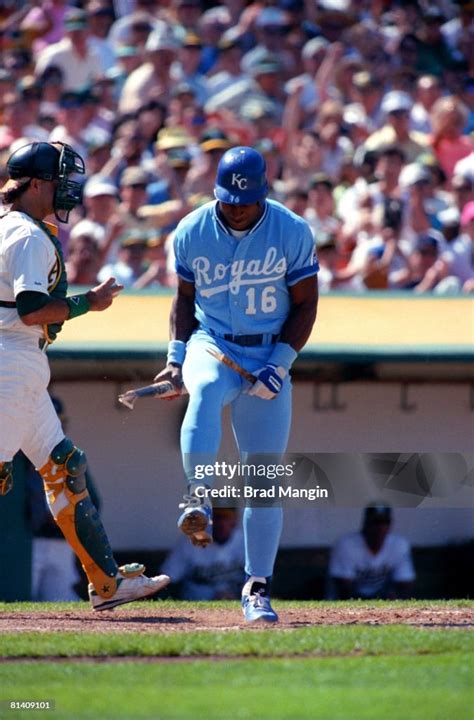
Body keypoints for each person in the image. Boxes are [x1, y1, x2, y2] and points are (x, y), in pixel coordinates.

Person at [0, 141, 170, 610]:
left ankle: (106, 582)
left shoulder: (12, 227)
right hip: (10, 359)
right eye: (57, 182)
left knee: (63, 467)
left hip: (18, 359)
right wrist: (88, 303)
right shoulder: (28, 235)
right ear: (35, 185)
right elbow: (34, 310)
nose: (65, 191)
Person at [154, 146, 318, 622]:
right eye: (228, 199)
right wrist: (175, 356)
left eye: (245, 199)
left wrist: (281, 362)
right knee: (202, 393)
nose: (236, 207)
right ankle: (197, 495)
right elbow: (184, 300)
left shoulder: (291, 229)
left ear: (263, 191)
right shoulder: (192, 229)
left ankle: (257, 588)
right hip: (215, 342)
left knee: (264, 481)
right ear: (217, 192)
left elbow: (306, 305)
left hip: (270, 349)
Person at [328, 504, 416, 600]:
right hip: (351, 601)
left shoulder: (399, 544)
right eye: (375, 522)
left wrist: (394, 597)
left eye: (384, 523)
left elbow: (405, 583)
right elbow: (343, 587)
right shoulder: (347, 544)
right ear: (365, 523)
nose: (380, 528)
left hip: (384, 600)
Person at [161, 508, 244, 600]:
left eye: (226, 518)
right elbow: (168, 578)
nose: (221, 523)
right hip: (195, 606)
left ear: (235, 520)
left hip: (235, 604)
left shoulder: (244, 542)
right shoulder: (191, 541)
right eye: (217, 518)